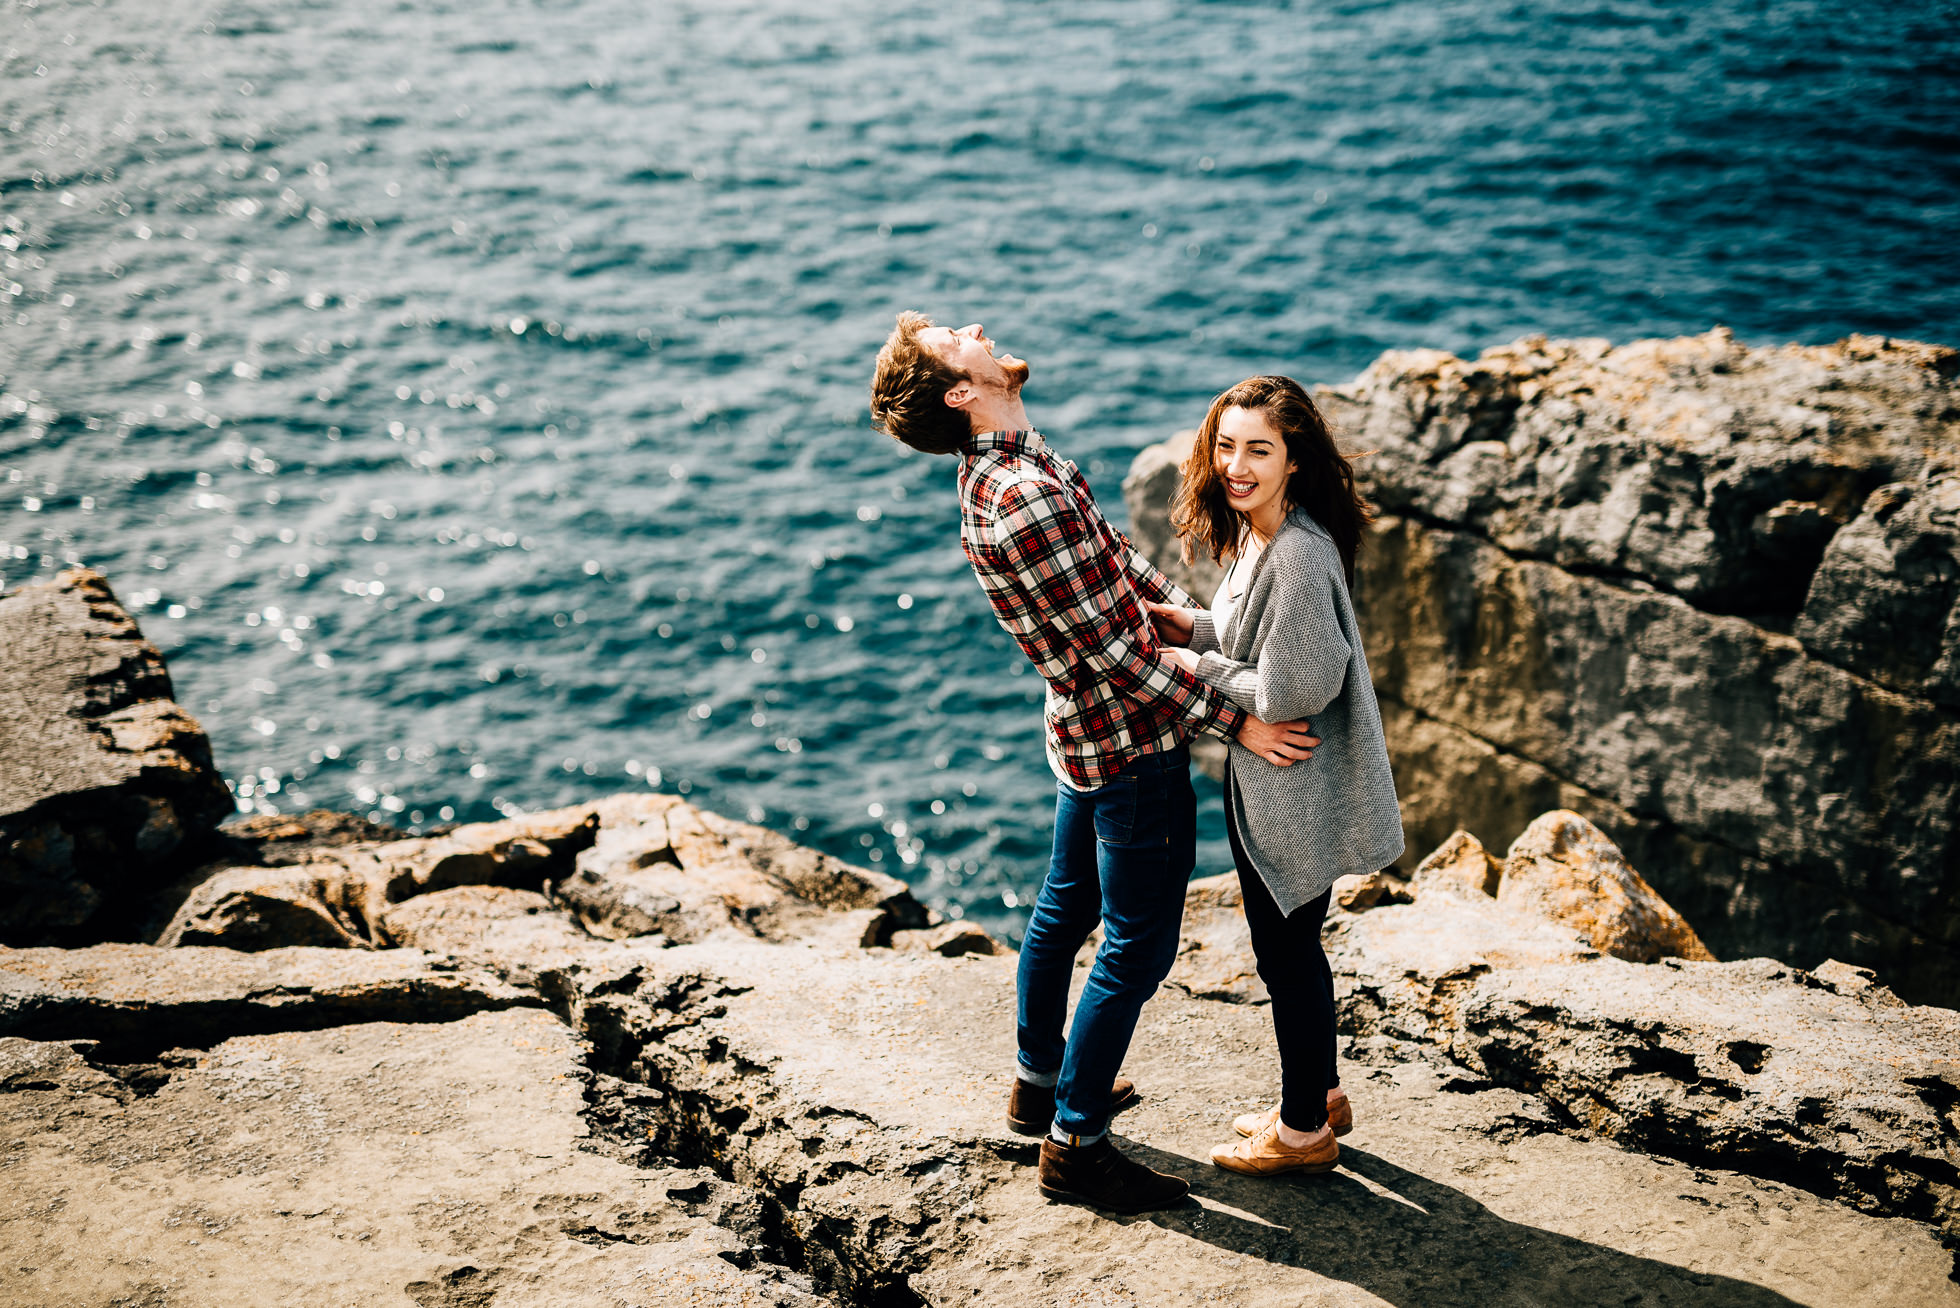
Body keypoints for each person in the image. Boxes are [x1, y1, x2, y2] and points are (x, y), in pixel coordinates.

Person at [867, 315, 1322, 1214]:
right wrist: (1236, 718)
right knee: (1138, 943)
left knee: (1063, 905)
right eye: (957, 340)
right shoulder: (1024, 491)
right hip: (1126, 743)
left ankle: (1039, 1090)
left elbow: (1120, 573)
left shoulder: (1007, 468)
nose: (978, 330)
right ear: (962, 393)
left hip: (1081, 731)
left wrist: (1204, 624)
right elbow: (1115, 645)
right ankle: (1076, 1143)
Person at [1147, 375, 1403, 1177]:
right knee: (1291, 947)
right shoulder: (1265, 533)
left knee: (1286, 953)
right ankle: (1319, 1093)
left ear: (1295, 459)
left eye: (1259, 450)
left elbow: (1295, 689)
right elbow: (1251, 631)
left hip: (1293, 782)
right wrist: (1193, 622)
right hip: (1274, 779)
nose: (1236, 465)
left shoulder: (1296, 552)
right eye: (1226, 446)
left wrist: (1195, 664)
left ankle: (1300, 1134)